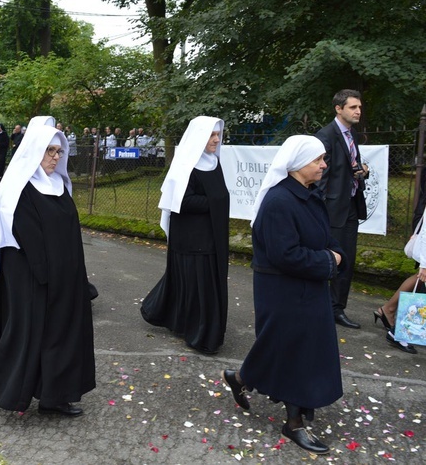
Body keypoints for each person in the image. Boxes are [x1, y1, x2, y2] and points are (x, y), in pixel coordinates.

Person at [222, 135, 344, 455]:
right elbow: (285, 254)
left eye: (323, 159)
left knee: (292, 347)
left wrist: (334, 253)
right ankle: (294, 424)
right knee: (294, 351)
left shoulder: (307, 195)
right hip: (283, 290)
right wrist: (328, 261)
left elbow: (324, 237)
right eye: (318, 159)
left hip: (307, 285)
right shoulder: (279, 201)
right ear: (297, 163)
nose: (323, 165)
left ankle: (241, 378)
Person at [0, 116, 96, 416]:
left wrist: (74, 275)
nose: (55, 158)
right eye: (49, 151)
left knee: (61, 335)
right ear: (35, 153)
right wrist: (45, 277)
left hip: (64, 275)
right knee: (28, 335)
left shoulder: (59, 185)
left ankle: (55, 396)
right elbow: (25, 237)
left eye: (58, 152)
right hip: (33, 277)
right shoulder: (22, 190)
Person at [140, 116, 229, 354]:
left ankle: (198, 327)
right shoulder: (185, 165)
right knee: (196, 285)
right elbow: (182, 200)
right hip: (191, 239)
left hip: (210, 236)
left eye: (218, 134)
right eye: (212, 135)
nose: (216, 139)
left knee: (204, 285)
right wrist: (216, 201)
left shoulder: (213, 161)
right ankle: (199, 333)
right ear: (199, 137)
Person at [315, 89, 368, 329]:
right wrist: (320, 209)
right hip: (332, 209)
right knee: (330, 259)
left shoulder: (352, 134)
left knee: (347, 258)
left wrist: (361, 172)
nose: (358, 111)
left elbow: (348, 167)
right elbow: (320, 176)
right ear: (338, 109)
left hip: (351, 205)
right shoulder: (326, 135)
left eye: (359, 107)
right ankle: (323, 306)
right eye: (353, 107)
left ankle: (337, 308)